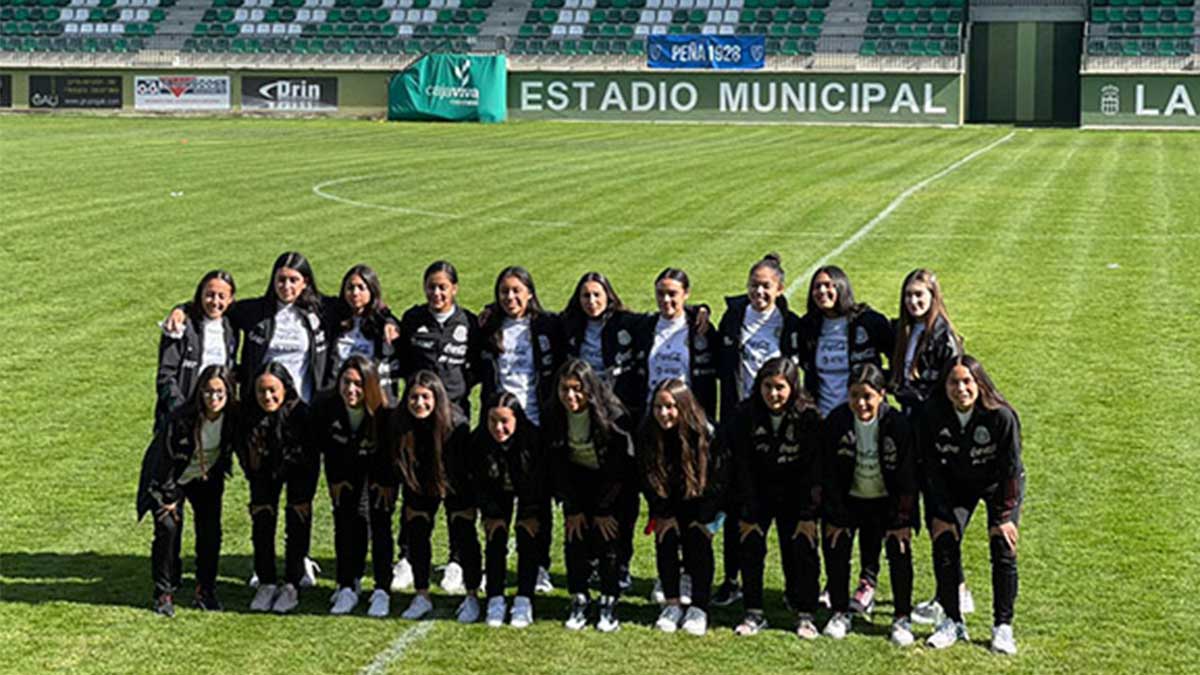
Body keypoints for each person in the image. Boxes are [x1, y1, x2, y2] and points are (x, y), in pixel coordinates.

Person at [712, 253, 802, 608]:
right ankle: (732, 579)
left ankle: (795, 587)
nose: (758, 292)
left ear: (779, 289)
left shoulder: (790, 324)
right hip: (739, 422)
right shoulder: (733, 317)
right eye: (754, 285)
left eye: (765, 286)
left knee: (785, 507)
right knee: (736, 505)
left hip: (779, 423)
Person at [921, 355, 1024, 655]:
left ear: (979, 384)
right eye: (954, 382)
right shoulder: (932, 414)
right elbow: (930, 468)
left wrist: (1004, 517)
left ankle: (1002, 627)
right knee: (944, 541)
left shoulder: (1001, 417)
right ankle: (952, 621)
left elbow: (1011, 469)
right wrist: (941, 513)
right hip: (954, 485)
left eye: (967, 381)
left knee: (1002, 545)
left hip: (997, 485)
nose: (961, 388)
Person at [394, 260, 482, 595]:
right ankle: (407, 557)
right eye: (431, 286)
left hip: (454, 418)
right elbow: (401, 359)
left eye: (443, 287)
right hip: (416, 416)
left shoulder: (469, 322)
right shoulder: (413, 319)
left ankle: (457, 560)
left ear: (455, 289)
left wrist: (456, 391)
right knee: (415, 484)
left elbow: (476, 364)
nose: (437, 292)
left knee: (455, 485)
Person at [889, 269, 970, 624]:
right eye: (909, 295)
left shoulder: (943, 336)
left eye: (920, 295)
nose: (914, 301)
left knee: (941, 515)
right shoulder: (906, 331)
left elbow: (949, 388)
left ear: (934, 296)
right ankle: (955, 589)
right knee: (928, 510)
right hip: (914, 430)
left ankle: (951, 594)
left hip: (934, 437)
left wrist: (911, 394)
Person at [478, 266, 564, 594]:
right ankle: (495, 564)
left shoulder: (547, 325)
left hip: (534, 424)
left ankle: (540, 565)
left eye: (517, 291)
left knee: (536, 500)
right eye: (504, 292)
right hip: (497, 424)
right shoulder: (488, 326)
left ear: (530, 293)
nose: (510, 297)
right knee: (497, 496)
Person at [821, 364, 917, 646]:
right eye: (854, 396)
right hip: (850, 499)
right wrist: (835, 515)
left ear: (882, 395)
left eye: (868, 396)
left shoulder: (897, 424)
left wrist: (902, 520)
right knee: (837, 545)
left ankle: (901, 618)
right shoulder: (837, 421)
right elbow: (827, 472)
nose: (861, 403)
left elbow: (908, 475)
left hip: (887, 500)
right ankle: (840, 612)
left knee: (899, 551)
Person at [731, 357, 823, 639]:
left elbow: (814, 469)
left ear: (793, 388)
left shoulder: (809, 417)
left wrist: (808, 515)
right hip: (758, 492)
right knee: (751, 542)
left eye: (780, 388)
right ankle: (753, 612)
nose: (773, 394)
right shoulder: (745, 414)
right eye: (767, 386)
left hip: (796, 494)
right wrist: (748, 511)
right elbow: (740, 465)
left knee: (802, 546)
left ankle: (804, 613)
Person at [137, 365, 238, 617]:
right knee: (168, 526)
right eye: (207, 392)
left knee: (210, 530)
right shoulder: (182, 418)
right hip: (170, 476)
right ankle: (164, 591)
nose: (213, 399)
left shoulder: (233, 419)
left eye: (219, 393)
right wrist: (167, 497)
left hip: (206, 476)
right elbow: (164, 460)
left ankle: (206, 590)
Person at [545, 359, 635, 632]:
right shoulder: (554, 414)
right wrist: (571, 506)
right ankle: (579, 597)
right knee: (575, 537)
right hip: (577, 479)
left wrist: (604, 509)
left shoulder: (613, 415)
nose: (570, 396)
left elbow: (622, 466)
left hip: (612, 484)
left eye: (577, 389)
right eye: (565, 390)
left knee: (607, 539)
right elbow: (556, 464)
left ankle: (609, 601)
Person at [383, 371, 481, 622]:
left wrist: (462, 500)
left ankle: (471, 596)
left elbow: (465, 469)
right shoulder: (399, 423)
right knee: (416, 530)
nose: (419, 403)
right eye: (414, 397)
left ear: (437, 397)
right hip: (420, 479)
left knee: (464, 532)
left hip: (455, 480)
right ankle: (422, 594)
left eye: (425, 397)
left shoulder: (455, 426)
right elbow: (398, 461)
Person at [638, 379, 727, 636]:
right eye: (658, 407)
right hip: (669, 499)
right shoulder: (647, 432)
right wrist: (661, 512)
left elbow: (719, 480)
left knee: (697, 540)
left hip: (703, 501)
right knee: (665, 537)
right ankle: (672, 603)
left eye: (670, 406)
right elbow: (647, 477)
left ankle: (699, 607)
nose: (663, 413)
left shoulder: (706, 433)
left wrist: (706, 518)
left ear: (684, 406)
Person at [312, 356, 392, 618]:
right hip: (344, 464)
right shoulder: (326, 404)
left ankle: (382, 589)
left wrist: (384, 481)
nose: (351, 390)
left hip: (379, 466)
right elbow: (324, 445)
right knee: (346, 520)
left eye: (358, 384)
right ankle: (347, 583)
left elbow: (390, 450)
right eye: (346, 382)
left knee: (379, 521)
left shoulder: (385, 410)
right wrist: (335, 479)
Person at [238, 363, 317, 613]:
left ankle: (293, 583)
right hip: (263, 469)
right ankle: (266, 581)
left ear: (285, 389)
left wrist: (305, 494)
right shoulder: (248, 415)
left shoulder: (301, 414)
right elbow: (243, 451)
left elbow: (311, 456)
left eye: (273, 391)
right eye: (262, 391)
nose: (268, 397)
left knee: (297, 518)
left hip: (298, 468)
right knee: (262, 518)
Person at [472, 393, 547, 628]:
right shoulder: (479, 441)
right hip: (495, 492)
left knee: (528, 535)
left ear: (517, 420)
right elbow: (476, 481)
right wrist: (490, 513)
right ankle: (495, 597)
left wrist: (530, 513)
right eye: (493, 420)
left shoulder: (533, 440)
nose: (498, 427)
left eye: (505, 421)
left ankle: (524, 598)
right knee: (495, 537)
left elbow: (541, 482)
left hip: (530, 493)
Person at [797, 265, 894, 419]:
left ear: (842, 286)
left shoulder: (869, 321)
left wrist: (881, 382)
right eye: (817, 287)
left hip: (863, 411)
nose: (822, 291)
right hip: (823, 415)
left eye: (828, 285)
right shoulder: (807, 326)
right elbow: (803, 365)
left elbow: (896, 355)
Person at [154, 270, 239, 431]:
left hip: (217, 413)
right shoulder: (179, 325)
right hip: (181, 416)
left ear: (230, 299)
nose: (215, 302)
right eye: (210, 294)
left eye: (222, 296)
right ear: (200, 294)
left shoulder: (231, 325)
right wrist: (181, 410)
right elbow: (165, 376)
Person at [323, 264, 399, 402]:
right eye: (350, 287)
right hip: (338, 396)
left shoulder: (382, 324)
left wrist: (390, 321)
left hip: (372, 396)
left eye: (361, 288)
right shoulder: (334, 317)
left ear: (372, 290)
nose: (355, 293)